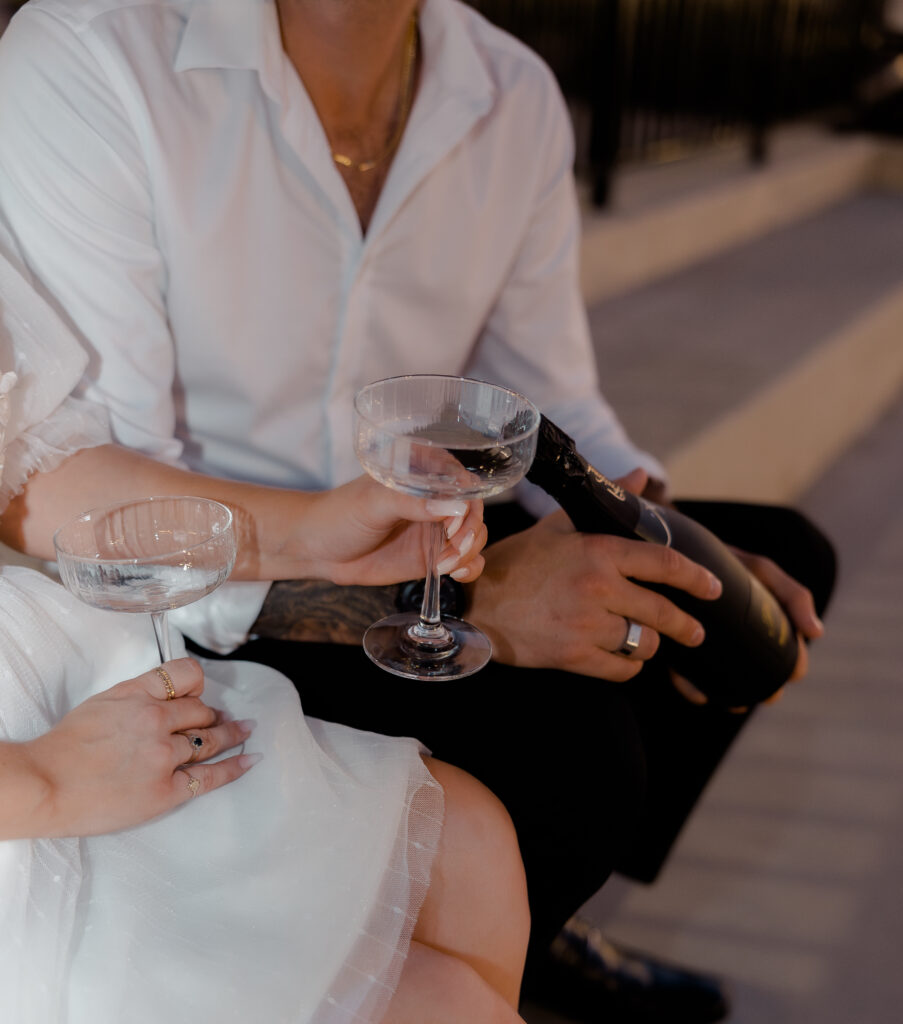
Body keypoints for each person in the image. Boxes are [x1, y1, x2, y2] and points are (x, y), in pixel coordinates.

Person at [0, 2, 834, 1021]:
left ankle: (533, 926)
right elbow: (81, 504)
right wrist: (464, 604)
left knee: (771, 571)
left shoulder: (511, 91)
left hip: (398, 524)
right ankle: (469, 929)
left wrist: (660, 538)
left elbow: (549, 402)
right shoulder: (98, 52)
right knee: (580, 756)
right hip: (197, 582)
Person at [0, 227, 532, 1024]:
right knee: (441, 1002)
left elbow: (30, 469)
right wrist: (42, 784)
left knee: (468, 844)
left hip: (36, 667)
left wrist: (312, 536)